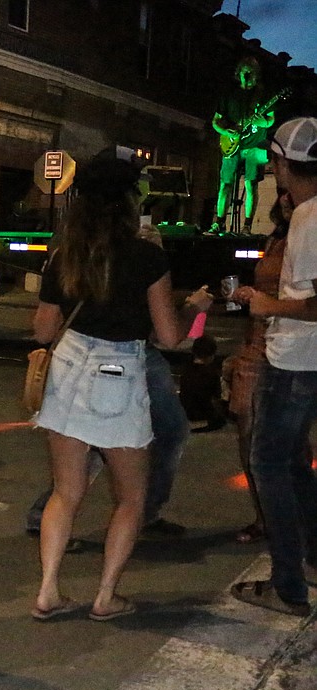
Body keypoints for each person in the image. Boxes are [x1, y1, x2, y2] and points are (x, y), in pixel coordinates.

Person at [30, 156, 210, 623]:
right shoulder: (148, 256)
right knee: (130, 497)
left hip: (69, 368)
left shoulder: (63, 255)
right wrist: (196, 309)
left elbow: (43, 331)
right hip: (119, 373)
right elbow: (170, 337)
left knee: (65, 492)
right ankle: (105, 596)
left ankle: (48, 589)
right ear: (131, 202)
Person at [230, 116, 317, 617]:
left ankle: (288, 586)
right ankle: (311, 559)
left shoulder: (307, 218)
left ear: (284, 164)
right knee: (295, 464)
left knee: (269, 465)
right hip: (309, 361)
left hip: (292, 361)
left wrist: (267, 307)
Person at [227, 190, 294, 544]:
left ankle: (285, 519)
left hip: (286, 343)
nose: (285, 199)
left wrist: (266, 302)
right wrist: (251, 295)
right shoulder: (277, 237)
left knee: (281, 441)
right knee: (247, 432)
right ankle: (263, 516)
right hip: (257, 341)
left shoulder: (306, 236)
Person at [210, 57, 276, 235]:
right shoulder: (228, 94)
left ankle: (247, 226)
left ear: (256, 75)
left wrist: (264, 122)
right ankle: (219, 222)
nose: (247, 76)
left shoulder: (263, 94)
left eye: (251, 72)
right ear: (238, 73)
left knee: (250, 184)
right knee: (225, 184)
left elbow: (271, 120)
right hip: (231, 145)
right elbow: (215, 122)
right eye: (244, 72)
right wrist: (226, 132)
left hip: (255, 145)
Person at [179, 334, 225, 432]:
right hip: (203, 413)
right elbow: (216, 397)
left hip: (186, 412)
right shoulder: (212, 374)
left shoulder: (186, 370)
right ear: (212, 355)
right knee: (221, 420)